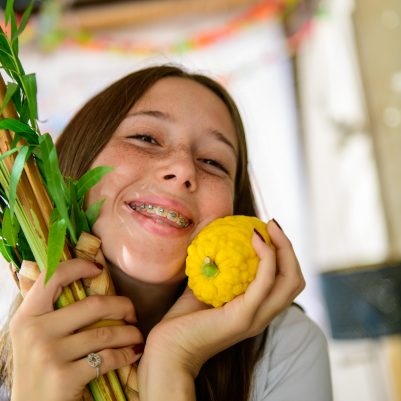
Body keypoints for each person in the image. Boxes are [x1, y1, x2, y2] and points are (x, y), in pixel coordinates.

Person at [0, 65, 332, 401]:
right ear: (72, 169)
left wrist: (173, 358)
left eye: (213, 162)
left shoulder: (284, 348)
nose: (184, 168)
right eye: (145, 138)